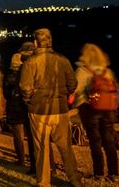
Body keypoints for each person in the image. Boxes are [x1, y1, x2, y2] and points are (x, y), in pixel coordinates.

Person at [20, 28, 81, 187]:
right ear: (51, 41)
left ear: (35, 43)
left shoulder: (30, 62)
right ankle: (74, 180)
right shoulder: (63, 60)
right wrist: (63, 94)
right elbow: (73, 84)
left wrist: (29, 100)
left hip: (38, 110)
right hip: (60, 109)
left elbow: (25, 87)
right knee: (65, 147)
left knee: (41, 148)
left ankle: (44, 182)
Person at [72, 43, 119, 182]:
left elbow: (75, 90)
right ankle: (113, 173)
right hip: (109, 110)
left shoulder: (82, 71)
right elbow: (115, 90)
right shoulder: (107, 71)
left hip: (89, 109)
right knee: (109, 140)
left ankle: (99, 173)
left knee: (95, 141)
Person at [3, 45, 35, 172]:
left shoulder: (9, 75)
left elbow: (6, 94)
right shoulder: (28, 72)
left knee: (18, 136)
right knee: (33, 136)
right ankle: (36, 160)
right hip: (27, 106)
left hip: (14, 108)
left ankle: (21, 159)